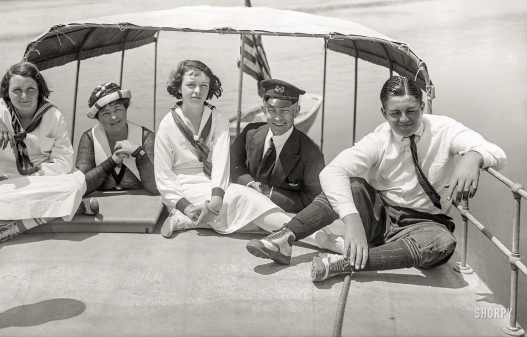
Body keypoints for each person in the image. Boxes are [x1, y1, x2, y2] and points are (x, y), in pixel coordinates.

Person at [246, 75, 507, 280]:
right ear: (384, 112)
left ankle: (345, 263)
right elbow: (332, 171)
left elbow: (496, 152)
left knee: (442, 243)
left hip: (424, 222)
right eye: (395, 113)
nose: (404, 119)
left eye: (411, 111)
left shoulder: (446, 129)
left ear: (423, 107)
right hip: (379, 216)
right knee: (352, 186)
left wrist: (473, 157)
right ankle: (284, 239)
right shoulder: (378, 138)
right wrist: (352, 221)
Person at [154, 60, 343, 256]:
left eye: (204, 86)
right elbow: (163, 177)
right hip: (182, 190)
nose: (197, 91)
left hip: (214, 183)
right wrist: (185, 206)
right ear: (179, 87)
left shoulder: (217, 119)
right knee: (242, 197)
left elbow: (221, 163)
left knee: (245, 208)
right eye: (191, 85)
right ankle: (321, 239)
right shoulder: (167, 125)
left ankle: (187, 221)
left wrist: (217, 198)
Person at [0, 62, 94, 249]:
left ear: (40, 90)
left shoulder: (53, 115)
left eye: (30, 89)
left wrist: (37, 175)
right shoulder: (0, 110)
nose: (24, 96)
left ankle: (9, 230)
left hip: (49, 177)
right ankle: (75, 207)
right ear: (7, 92)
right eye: (17, 90)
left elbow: (64, 161)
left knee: (73, 187)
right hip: (13, 178)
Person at [230, 79, 325, 213]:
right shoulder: (249, 133)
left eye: (285, 111)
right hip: (243, 210)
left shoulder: (312, 154)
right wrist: (249, 183)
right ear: (264, 110)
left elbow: (315, 199)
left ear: (296, 111)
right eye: (272, 110)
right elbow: (232, 163)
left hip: (283, 217)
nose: (278, 117)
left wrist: (270, 195)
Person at [76, 82, 158, 195]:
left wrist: (139, 153)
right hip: (102, 210)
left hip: (141, 208)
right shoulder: (89, 138)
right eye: (105, 113)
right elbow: (80, 187)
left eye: (117, 109)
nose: (113, 117)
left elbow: (155, 187)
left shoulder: (146, 136)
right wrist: (113, 161)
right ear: (98, 118)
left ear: (126, 109)